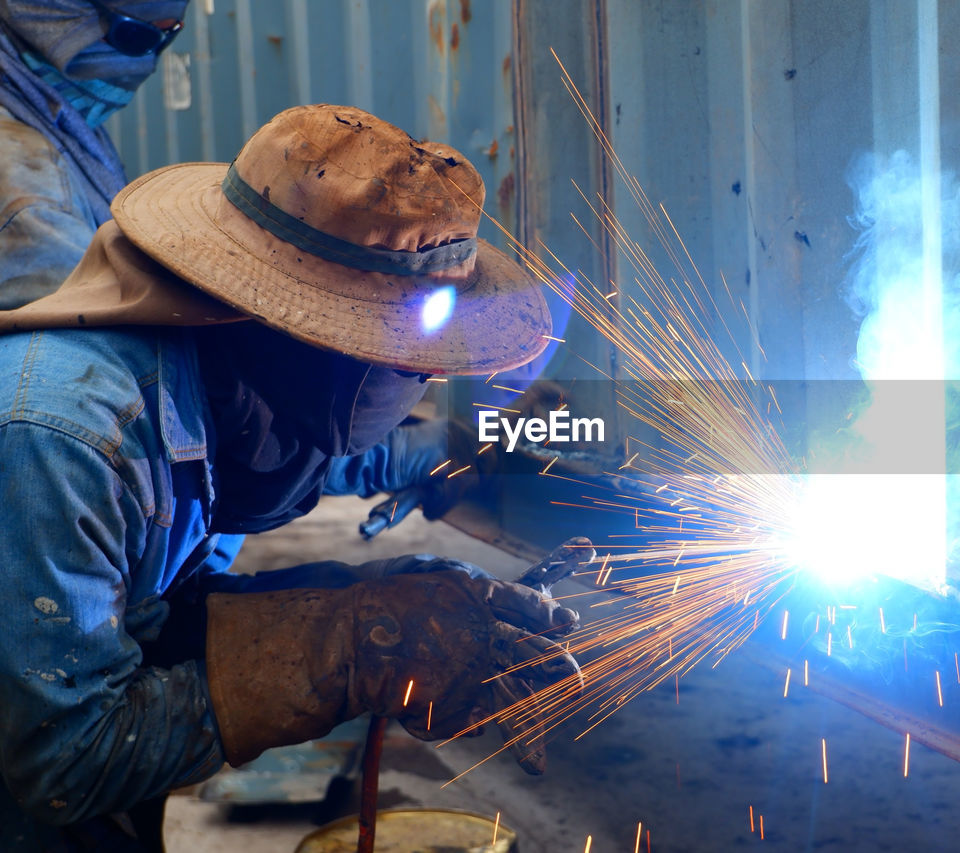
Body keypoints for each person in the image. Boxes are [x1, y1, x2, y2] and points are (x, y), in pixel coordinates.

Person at [0, 103, 582, 851]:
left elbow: (334, 463)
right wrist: (353, 646)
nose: (433, 372)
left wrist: (386, 596)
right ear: (291, 321)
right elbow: (63, 759)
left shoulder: (246, 382)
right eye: (407, 353)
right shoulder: (66, 440)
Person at [0, 0, 189, 309]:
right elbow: (87, 336)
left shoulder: (58, 116)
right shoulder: (32, 189)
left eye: (169, 35)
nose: (147, 61)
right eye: (137, 37)